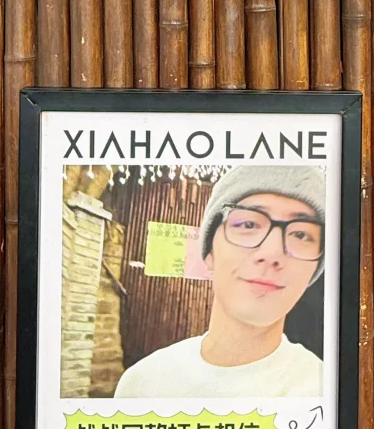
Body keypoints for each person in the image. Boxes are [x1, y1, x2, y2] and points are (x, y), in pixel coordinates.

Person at [114, 164, 326, 398]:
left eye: (300, 234)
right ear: (209, 253)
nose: (272, 253)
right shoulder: (142, 385)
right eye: (248, 224)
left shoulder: (328, 393)